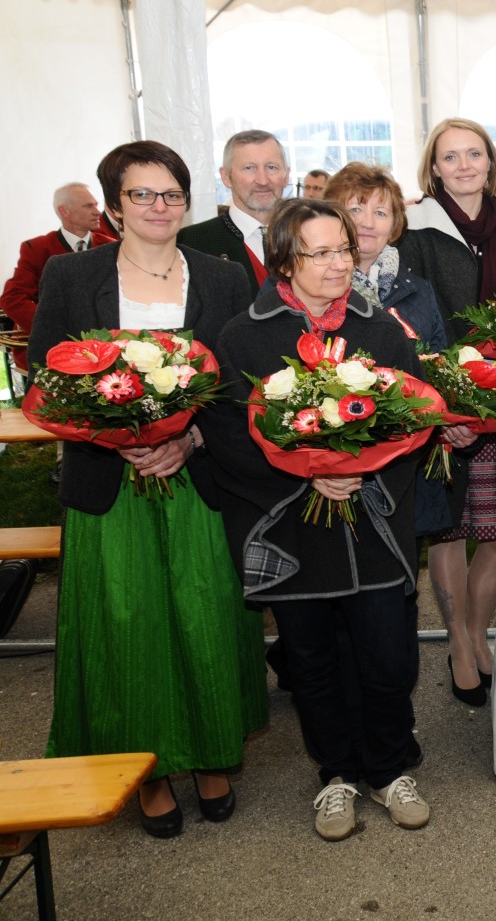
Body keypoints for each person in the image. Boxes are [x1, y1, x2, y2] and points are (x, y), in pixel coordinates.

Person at [29, 141, 267, 838]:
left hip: (196, 477)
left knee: (205, 615)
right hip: (109, 480)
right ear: (113, 206)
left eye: (171, 194)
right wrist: (115, 436)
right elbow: (49, 375)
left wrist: (187, 440)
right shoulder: (72, 275)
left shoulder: (223, 277)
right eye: (142, 194)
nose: (159, 207)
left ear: (186, 202)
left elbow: (241, 385)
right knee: (127, 624)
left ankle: (212, 754)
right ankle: (148, 769)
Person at [206, 199, 430, 842]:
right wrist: (305, 475)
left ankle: (388, 768)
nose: (340, 264)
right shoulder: (243, 336)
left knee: (387, 657)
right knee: (311, 660)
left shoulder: (381, 330)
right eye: (321, 252)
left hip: (372, 521)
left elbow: (416, 416)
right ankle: (335, 773)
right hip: (292, 528)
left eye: (344, 249)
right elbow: (228, 436)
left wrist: (362, 473)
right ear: (284, 259)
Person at [398, 117, 496, 706]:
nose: (463, 165)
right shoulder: (413, 229)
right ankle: (459, 645)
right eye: (450, 156)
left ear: (490, 161)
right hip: (447, 403)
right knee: (448, 531)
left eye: (474, 154)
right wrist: (445, 385)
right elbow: (407, 320)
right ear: (433, 168)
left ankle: (476, 628)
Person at [327, 162, 453, 541]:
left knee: (401, 567)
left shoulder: (418, 288)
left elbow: (439, 363)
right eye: (355, 209)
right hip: (336, 465)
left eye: (380, 212)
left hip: (404, 464)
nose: (367, 222)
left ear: (395, 223)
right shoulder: (315, 286)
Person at [2, 182, 116, 372]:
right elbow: (12, 298)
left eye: (96, 205)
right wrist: (49, 328)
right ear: (65, 211)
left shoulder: (112, 247)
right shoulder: (36, 249)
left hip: (103, 345)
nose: (98, 212)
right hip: (52, 349)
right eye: (88, 206)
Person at [177, 128, 290, 292]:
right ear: (226, 177)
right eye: (249, 168)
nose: (262, 180)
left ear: (286, 175)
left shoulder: (308, 237)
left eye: (271, 167)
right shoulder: (193, 242)